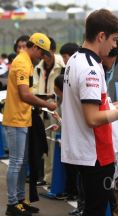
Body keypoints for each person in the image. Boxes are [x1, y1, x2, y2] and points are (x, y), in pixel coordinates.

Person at [61, 9, 118, 216]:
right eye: (114, 39)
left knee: (92, 211)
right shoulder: (91, 68)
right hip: (95, 152)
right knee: (94, 215)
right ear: (101, 36)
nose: (114, 46)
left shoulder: (75, 59)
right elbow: (92, 117)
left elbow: (95, 105)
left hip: (85, 150)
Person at [3, 32, 57, 216]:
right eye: (42, 53)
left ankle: (19, 199)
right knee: (17, 163)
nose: (42, 57)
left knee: (22, 162)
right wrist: (47, 104)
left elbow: (26, 93)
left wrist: (44, 96)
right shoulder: (21, 63)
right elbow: (25, 95)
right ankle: (12, 203)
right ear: (35, 47)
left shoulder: (26, 62)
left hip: (22, 118)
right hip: (16, 119)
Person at [32, 36, 65, 186]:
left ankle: (56, 180)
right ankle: (47, 177)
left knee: (56, 145)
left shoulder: (63, 65)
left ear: (53, 50)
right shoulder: (38, 67)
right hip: (42, 109)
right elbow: (33, 89)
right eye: (42, 53)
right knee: (45, 144)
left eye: (47, 53)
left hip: (59, 110)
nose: (45, 57)